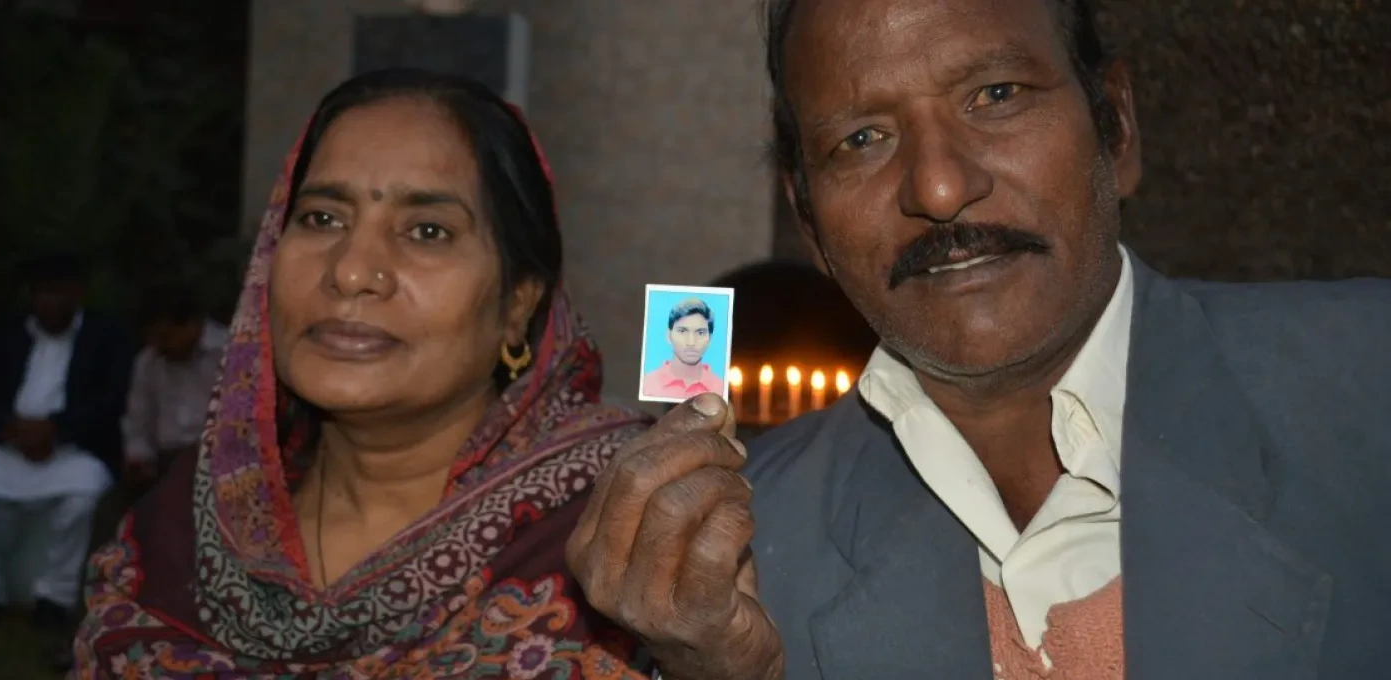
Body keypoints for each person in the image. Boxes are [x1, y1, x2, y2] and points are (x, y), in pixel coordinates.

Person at [567, 0, 1391, 678]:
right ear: (809, 222)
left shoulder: (1364, 388)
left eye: (995, 95)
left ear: (1118, 130)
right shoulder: (736, 560)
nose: (939, 185)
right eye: (861, 139)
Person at [72, 69, 655, 678]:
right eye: (322, 219)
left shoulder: (617, 532)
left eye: (427, 231)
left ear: (518, 304)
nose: (351, 271)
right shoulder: (186, 521)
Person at [0, 252, 133, 634]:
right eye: (38, 293)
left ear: (77, 293)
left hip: (73, 450)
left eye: (55, 292)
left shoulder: (107, 336)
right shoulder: (7, 333)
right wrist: (10, 426)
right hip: (8, 446)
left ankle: (55, 598)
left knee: (82, 500)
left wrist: (57, 429)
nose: (46, 302)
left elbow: (112, 398)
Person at [121, 281, 229, 488]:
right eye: (154, 338)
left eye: (167, 336)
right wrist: (139, 459)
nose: (161, 345)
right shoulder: (148, 363)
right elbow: (138, 425)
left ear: (194, 325)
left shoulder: (229, 352)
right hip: (166, 464)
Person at [641, 298, 725, 401]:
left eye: (700, 333)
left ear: (710, 339)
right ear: (668, 335)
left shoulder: (721, 389)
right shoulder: (647, 384)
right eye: (682, 331)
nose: (691, 342)